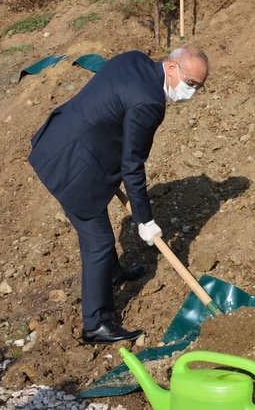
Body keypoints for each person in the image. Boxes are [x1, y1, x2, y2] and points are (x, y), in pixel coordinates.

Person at [28, 47, 209, 344]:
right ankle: (96, 323)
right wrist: (144, 219)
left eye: (198, 88)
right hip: (71, 167)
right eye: (190, 84)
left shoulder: (135, 59)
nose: (192, 93)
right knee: (98, 242)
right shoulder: (149, 103)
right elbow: (132, 164)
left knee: (99, 239)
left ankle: (111, 274)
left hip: (59, 138)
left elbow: (109, 106)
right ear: (172, 67)